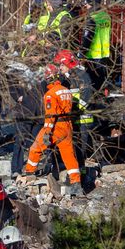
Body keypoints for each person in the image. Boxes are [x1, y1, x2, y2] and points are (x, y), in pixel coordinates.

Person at [24, 64, 82, 195]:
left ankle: (29, 174)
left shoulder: (50, 94)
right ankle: (76, 184)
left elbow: (51, 115)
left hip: (55, 127)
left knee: (35, 149)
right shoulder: (66, 91)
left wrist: (48, 132)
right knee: (69, 156)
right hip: (67, 126)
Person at [56, 49, 96, 177]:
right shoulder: (68, 78)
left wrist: (77, 112)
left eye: (61, 65)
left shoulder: (81, 76)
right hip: (74, 118)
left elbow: (86, 96)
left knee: (80, 146)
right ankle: (75, 170)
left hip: (82, 118)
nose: (60, 67)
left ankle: (81, 173)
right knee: (73, 145)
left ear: (68, 63)